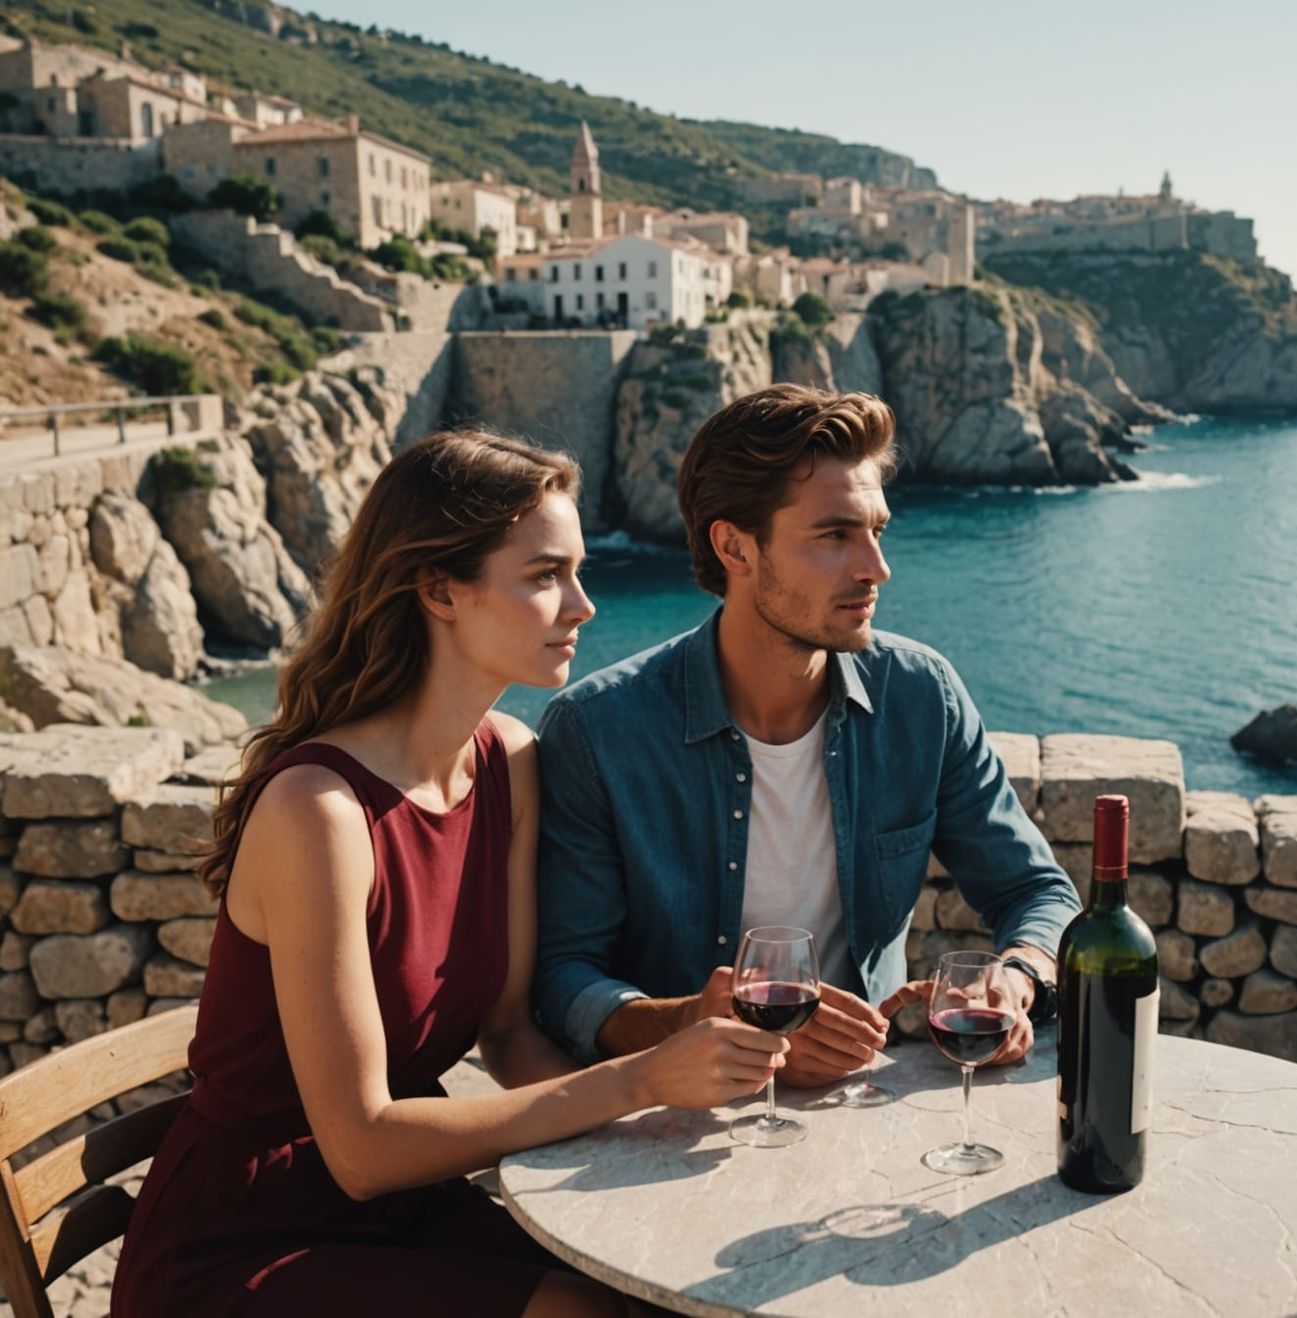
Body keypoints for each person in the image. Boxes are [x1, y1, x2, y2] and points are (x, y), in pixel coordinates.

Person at [111, 431, 789, 1318]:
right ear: (438, 589)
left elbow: (507, 1036)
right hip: (249, 1240)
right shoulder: (319, 811)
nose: (584, 605)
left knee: (662, 1288)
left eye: (579, 572)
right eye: (546, 576)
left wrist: (664, 1121)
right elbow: (359, 1146)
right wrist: (640, 1079)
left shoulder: (508, 761)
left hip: (401, 1206)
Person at [533, 385, 1078, 1084]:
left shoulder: (921, 696)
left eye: (876, 530)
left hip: (864, 1108)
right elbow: (560, 977)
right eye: (834, 536)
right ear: (735, 546)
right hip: (673, 1131)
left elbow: (1038, 893)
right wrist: (690, 1022)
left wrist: (1017, 978)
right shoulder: (599, 731)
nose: (875, 568)